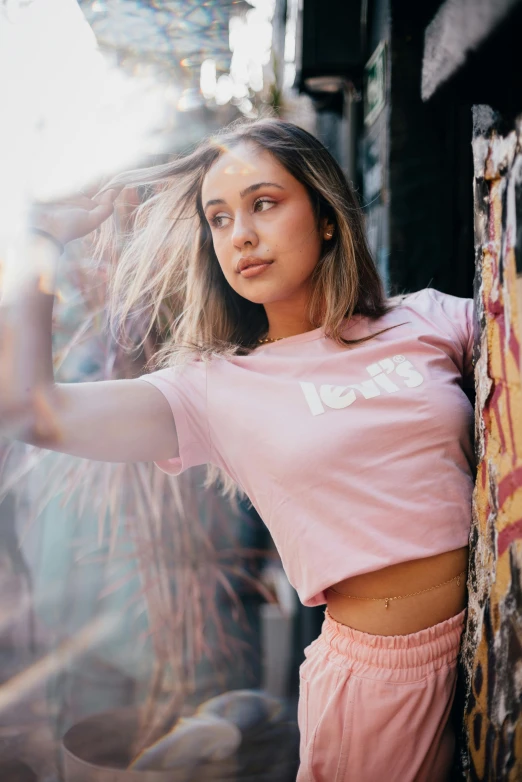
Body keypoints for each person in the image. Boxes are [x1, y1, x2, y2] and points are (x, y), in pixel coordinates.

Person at [0, 118, 474, 781]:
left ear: (327, 216)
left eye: (264, 204)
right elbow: (30, 410)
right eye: (218, 219)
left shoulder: (429, 319)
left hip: (488, 640)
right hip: (381, 680)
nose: (241, 235)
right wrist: (41, 241)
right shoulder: (212, 388)